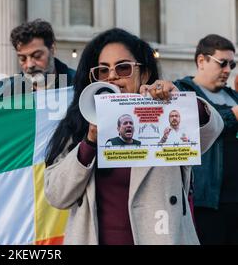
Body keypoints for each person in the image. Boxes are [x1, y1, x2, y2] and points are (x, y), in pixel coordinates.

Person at [44, 28, 223, 245]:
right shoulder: (80, 124)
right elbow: (57, 195)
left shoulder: (162, 113)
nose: (112, 76)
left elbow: (211, 130)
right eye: (102, 70)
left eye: (123, 68)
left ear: (144, 74)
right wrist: (89, 142)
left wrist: (179, 102)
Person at [174, 34, 238, 245]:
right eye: (223, 63)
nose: (228, 70)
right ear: (202, 61)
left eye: (232, 63)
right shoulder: (183, 92)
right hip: (206, 203)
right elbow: (198, 128)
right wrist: (234, 115)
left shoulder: (233, 96)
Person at [0, 19, 76, 97]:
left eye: (37, 56)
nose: (29, 64)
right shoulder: (6, 91)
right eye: (22, 59)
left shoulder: (79, 84)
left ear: (52, 49)